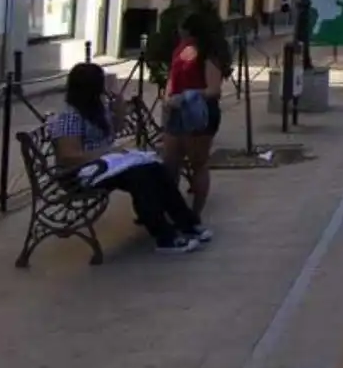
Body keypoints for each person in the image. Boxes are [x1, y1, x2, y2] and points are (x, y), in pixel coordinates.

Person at [47, 62, 207, 253]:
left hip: (106, 164)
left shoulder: (96, 109)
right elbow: (68, 156)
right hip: (82, 172)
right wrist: (105, 154)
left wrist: (118, 100)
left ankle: (187, 223)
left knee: (155, 168)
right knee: (140, 177)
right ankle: (164, 237)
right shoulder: (70, 116)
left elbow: (118, 127)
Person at [161, 13, 229, 229]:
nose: (180, 32)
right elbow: (172, 78)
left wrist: (188, 95)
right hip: (176, 111)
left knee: (198, 164)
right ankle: (170, 209)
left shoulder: (207, 55)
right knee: (170, 163)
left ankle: (194, 213)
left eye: (183, 28)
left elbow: (214, 90)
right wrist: (168, 97)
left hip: (198, 113)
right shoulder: (180, 51)